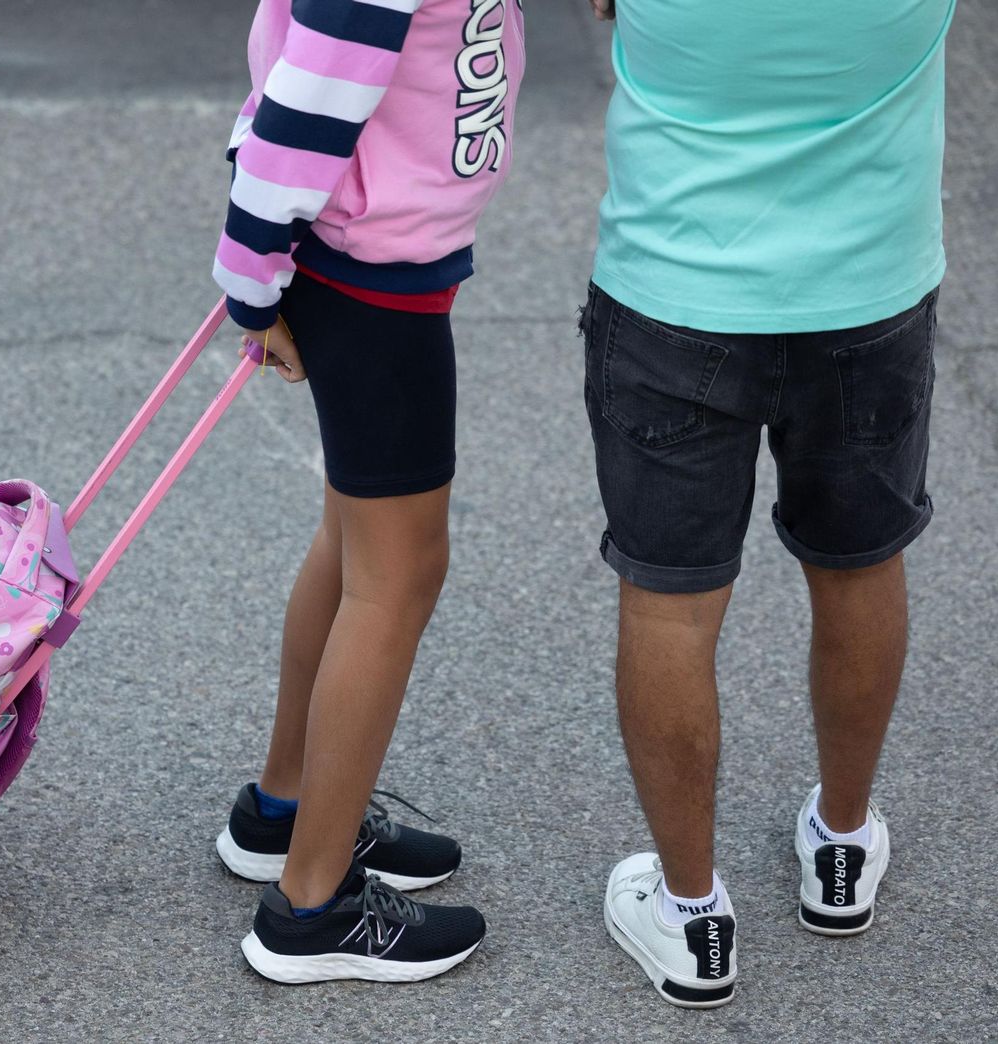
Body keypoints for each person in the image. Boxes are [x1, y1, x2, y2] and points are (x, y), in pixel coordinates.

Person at [580, 0, 954, 1008]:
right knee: (860, 565)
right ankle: (839, 844)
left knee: (669, 601)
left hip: (670, 295)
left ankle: (692, 916)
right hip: (870, 293)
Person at [208, 0, 525, 984]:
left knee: (356, 544)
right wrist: (250, 284)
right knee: (397, 576)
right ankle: (312, 905)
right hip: (364, 274)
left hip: (381, 256)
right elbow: (302, 97)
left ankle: (290, 807)